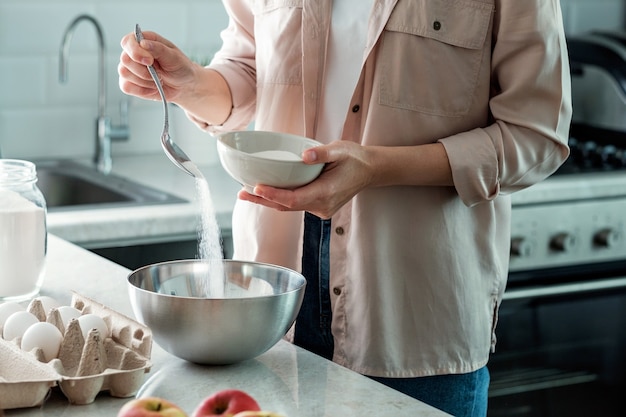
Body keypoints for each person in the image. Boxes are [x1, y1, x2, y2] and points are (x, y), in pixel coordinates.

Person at [118, 1, 571, 415]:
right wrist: (192, 84)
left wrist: (376, 168)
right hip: (272, 314)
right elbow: (248, 68)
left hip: (411, 322)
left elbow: (535, 134)